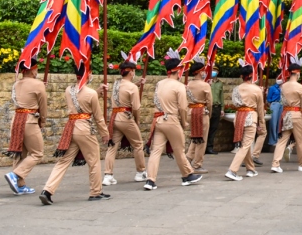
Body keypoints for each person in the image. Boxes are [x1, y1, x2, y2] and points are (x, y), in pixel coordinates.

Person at [40, 65, 109, 205]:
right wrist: (105, 133)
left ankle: (47, 190)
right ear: (87, 74)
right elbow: (98, 115)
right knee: (93, 160)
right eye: (90, 72)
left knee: (63, 161)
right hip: (84, 128)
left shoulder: (69, 90)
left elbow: (82, 99)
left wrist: (97, 93)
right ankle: (96, 191)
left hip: (71, 127)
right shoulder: (91, 93)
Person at [144, 49, 203, 190]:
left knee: (156, 151)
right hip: (171, 120)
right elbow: (183, 108)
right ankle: (187, 175)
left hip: (158, 120)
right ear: (178, 71)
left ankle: (150, 180)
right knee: (179, 149)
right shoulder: (179, 86)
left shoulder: (159, 84)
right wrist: (184, 122)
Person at [4, 58, 49, 196]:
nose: (37, 71)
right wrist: (42, 121)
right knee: (37, 152)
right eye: (36, 69)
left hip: (17, 118)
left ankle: (20, 184)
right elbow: (43, 106)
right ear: (32, 69)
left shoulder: (17, 83)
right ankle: (15, 175)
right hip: (29, 120)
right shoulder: (38, 84)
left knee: (20, 152)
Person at [103, 55, 147, 185]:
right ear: (132, 72)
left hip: (115, 117)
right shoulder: (132, 87)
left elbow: (125, 90)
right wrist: (137, 121)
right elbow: (136, 108)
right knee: (138, 144)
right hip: (126, 117)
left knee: (112, 146)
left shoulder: (117, 83)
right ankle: (141, 172)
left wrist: (137, 85)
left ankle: (108, 175)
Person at [270, 57, 302, 172]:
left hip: (286, 114)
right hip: (297, 114)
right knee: (300, 141)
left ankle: (275, 164)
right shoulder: (301, 88)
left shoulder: (283, 86)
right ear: (298, 73)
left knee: (282, 140)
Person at [224, 65, 264, 181]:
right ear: (251, 75)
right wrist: (261, 123)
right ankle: (232, 170)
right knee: (246, 145)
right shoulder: (256, 89)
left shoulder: (236, 89)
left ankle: (250, 169)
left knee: (244, 144)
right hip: (250, 117)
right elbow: (260, 109)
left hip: (239, 117)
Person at [185, 59, 213, 174]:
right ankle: (197, 164)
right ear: (200, 72)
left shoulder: (188, 84)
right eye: (203, 71)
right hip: (201, 112)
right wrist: (209, 114)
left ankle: (188, 157)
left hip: (190, 111)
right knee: (202, 139)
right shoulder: (205, 85)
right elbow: (210, 103)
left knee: (195, 136)